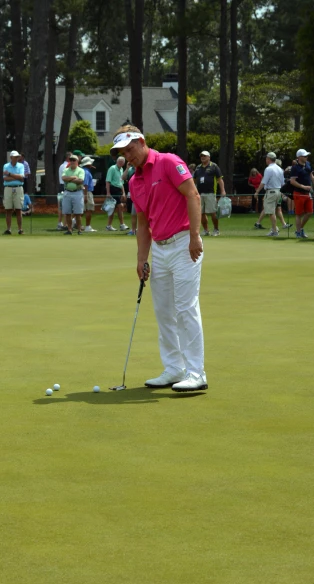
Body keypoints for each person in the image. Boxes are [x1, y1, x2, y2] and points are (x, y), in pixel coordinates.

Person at [110, 124, 206, 393]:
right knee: (164, 311)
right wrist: (142, 259)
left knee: (186, 308)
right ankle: (174, 369)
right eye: (123, 152)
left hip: (184, 242)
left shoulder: (168, 162)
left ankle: (196, 373)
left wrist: (195, 236)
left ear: (141, 142)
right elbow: (142, 223)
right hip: (161, 250)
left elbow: (193, 195)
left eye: (131, 149)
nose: (129, 155)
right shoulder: (133, 180)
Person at [193, 150, 226, 236]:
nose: (203, 157)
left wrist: (222, 190)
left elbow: (220, 179)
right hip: (199, 194)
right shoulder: (198, 168)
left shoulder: (214, 166)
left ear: (209, 157)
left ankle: (216, 230)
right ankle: (206, 230)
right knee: (201, 213)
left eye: (204, 156)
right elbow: (194, 180)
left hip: (210, 193)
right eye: (201, 156)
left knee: (213, 212)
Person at [253, 152, 285, 236]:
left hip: (271, 192)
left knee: (271, 212)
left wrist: (257, 192)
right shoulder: (279, 169)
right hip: (278, 191)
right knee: (274, 210)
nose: (266, 160)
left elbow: (263, 182)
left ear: (269, 159)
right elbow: (283, 183)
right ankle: (275, 228)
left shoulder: (268, 169)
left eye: (266, 158)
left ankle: (274, 231)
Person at [289, 149, 314, 238]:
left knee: (310, 212)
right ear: (299, 157)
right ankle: (299, 232)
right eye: (304, 156)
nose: (306, 157)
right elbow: (292, 181)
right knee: (299, 214)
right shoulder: (295, 168)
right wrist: (303, 186)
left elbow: (311, 175)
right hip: (298, 193)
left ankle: (299, 229)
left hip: (308, 193)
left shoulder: (308, 164)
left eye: (307, 156)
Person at [61, 154, 85, 235]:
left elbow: (81, 181)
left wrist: (69, 179)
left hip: (77, 192)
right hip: (67, 192)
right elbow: (63, 178)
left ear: (77, 161)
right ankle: (70, 229)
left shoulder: (81, 170)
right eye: (70, 160)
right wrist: (74, 177)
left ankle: (79, 230)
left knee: (78, 213)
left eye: (74, 160)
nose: (72, 162)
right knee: (67, 213)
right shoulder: (66, 170)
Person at [3, 150, 24, 235]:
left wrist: (10, 174)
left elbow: (22, 177)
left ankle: (20, 229)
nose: (16, 158)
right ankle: (8, 229)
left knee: (18, 209)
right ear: (11, 157)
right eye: (15, 157)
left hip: (18, 188)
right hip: (8, 188)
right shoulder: (6, 166)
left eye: (17, 157)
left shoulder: (21, 166)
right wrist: (16, 177)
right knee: (8, 209)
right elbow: (5, 178)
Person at [105, 156, 129, 231]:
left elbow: (121, 182)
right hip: (113, 189)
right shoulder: (112, 168)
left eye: (122, 162)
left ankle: (109, 225)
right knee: (120, 206)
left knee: (114, 208)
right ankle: (122, 224)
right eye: (120, 161)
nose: (121, 163)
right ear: (117, 162)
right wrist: (108, 192)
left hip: (118, 190)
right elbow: (108, 181)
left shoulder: (121, 169)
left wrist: (123, 192)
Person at [80, 155, 97, 232]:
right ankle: (87, 226)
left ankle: (77, 224)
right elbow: (85, 184)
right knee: (89, 209)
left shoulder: (83, 170)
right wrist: (85, 195)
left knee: (81, 210)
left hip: (83, 192)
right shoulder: (86, 172)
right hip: (87, 192)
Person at [57, 151, 72, 230]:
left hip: (61, 186)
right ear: (68, 158)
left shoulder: (61, 165)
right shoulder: (66, 166)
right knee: (65, 207)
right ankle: (64, 224)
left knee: (61, 207)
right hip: (64, 186)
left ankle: (60, 223)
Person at [122, 162, 137, 235]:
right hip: (133, 194)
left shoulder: (142, 168)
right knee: (133, 213)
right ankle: (133, 230)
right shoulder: (130, 169)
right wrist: (127, 168)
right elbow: (123, 177)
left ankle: (142, 230)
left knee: (143, 214)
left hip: (142, 194)